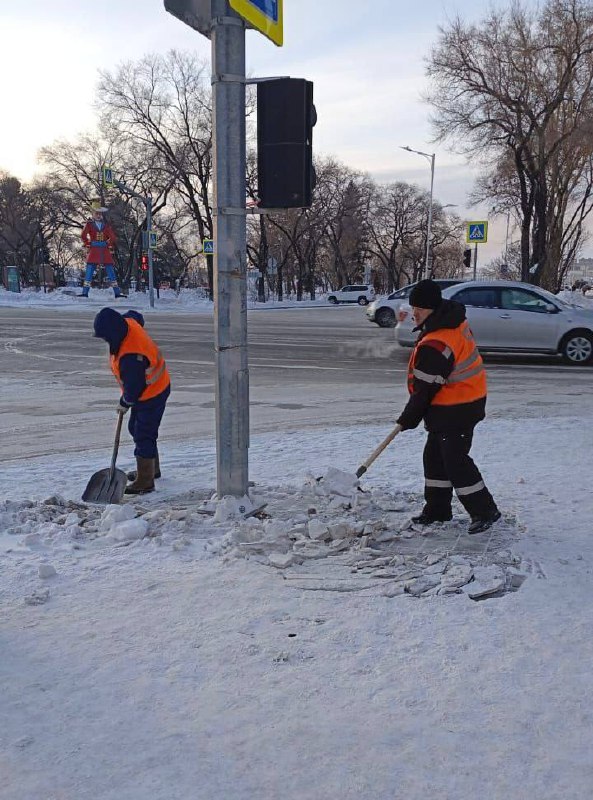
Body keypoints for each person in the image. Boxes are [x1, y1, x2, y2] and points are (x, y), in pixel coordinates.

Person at [395, 279, 500, 534]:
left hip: (458, 407)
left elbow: (425, 390)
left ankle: (485, 511)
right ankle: (437, 510)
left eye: (419, 308)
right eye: (413, 307)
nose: (414, 313)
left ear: (432, 308)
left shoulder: (438, 342)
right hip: (454, 403)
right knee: (434, 457)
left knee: (454, 460)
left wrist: (407, 419)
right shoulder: (447, 322)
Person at [93, 307, 170, 494]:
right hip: (153, 388)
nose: (105, 341)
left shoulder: (130, 357)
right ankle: (152, 469)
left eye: (106, 337)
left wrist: (124, 402)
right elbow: (136, 315)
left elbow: (134, 388)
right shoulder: (129, 323)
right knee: (137, 429)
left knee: (143, 433)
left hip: (152, 393)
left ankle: (146, 481)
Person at [80, 200, 125, 298]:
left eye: (100, 213)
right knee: (89, 272)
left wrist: (106, 243)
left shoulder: (105, 225)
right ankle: (85, 292)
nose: (99, 215)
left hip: (103, 250)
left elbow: (113, 237)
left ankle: (117, 293)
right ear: (92, 214)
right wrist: (89, 243)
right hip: (96, 250)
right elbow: (83, 235)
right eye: (97, 213)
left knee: (111, 272)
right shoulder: (89, 224)